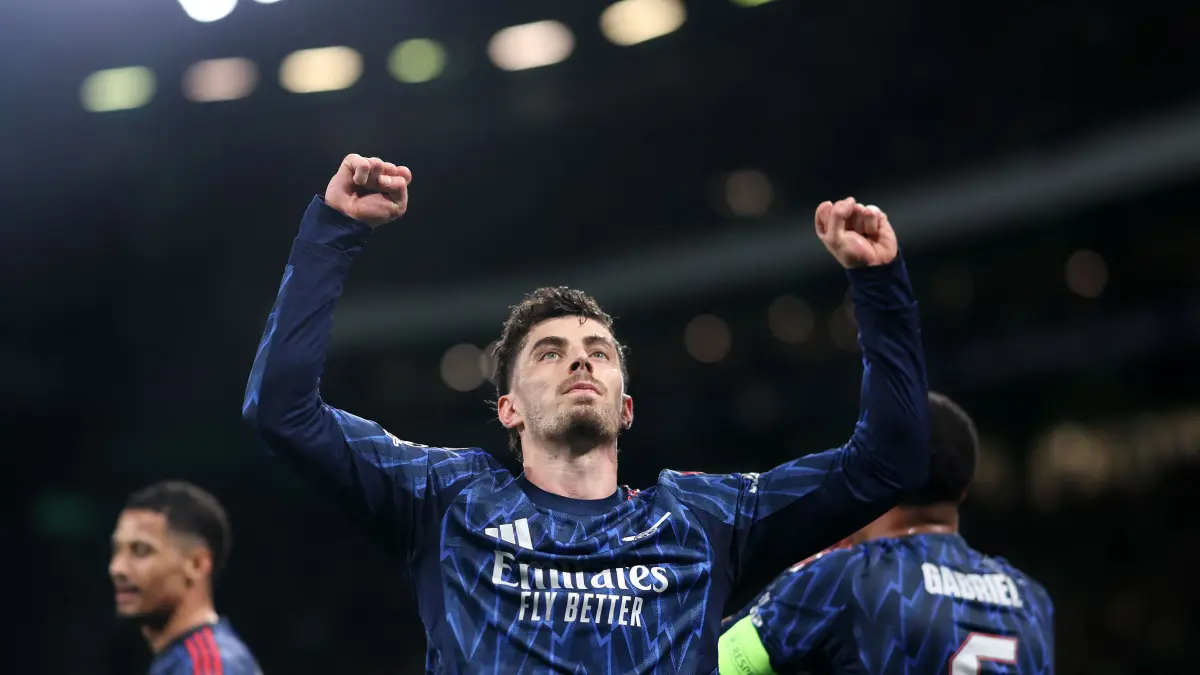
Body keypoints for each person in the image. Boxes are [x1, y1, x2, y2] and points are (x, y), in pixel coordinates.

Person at [241, 154, 931, 673]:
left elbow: (889, 462)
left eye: (598, 352)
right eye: (549, 353)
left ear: (625, 406)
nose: (580, 362)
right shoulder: (444, 500)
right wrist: (331, 232)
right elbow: (283, 409)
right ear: (507, 408)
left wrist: (879, 287)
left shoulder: (704, 519)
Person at [718, 392, 1055, 674]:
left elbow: (706, 664)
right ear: (963, 489)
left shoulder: (844, 579)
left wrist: (786, 590)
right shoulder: (1032, 600)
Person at [109, 481, 262, 674]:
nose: (117, 568)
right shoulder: (185, 662)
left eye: (141, 550)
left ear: (196, 564)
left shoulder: (207, 666)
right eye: (116, 550)